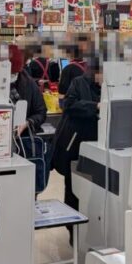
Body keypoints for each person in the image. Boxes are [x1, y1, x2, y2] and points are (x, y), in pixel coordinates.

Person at [51, 58, 101, 227]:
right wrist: (96, 106)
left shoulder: (112, 87)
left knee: (92, 188)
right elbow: (69, 105)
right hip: (75, 145)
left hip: (98, 147)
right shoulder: (79, 83)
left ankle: (90, 225)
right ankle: (72, 228)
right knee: (73, 187)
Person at [9, 44, 47, 135]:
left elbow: (41, 112)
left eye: (15, 74)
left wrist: (28, 122)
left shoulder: (29, 84)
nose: (12, 76)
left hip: (23, 140)